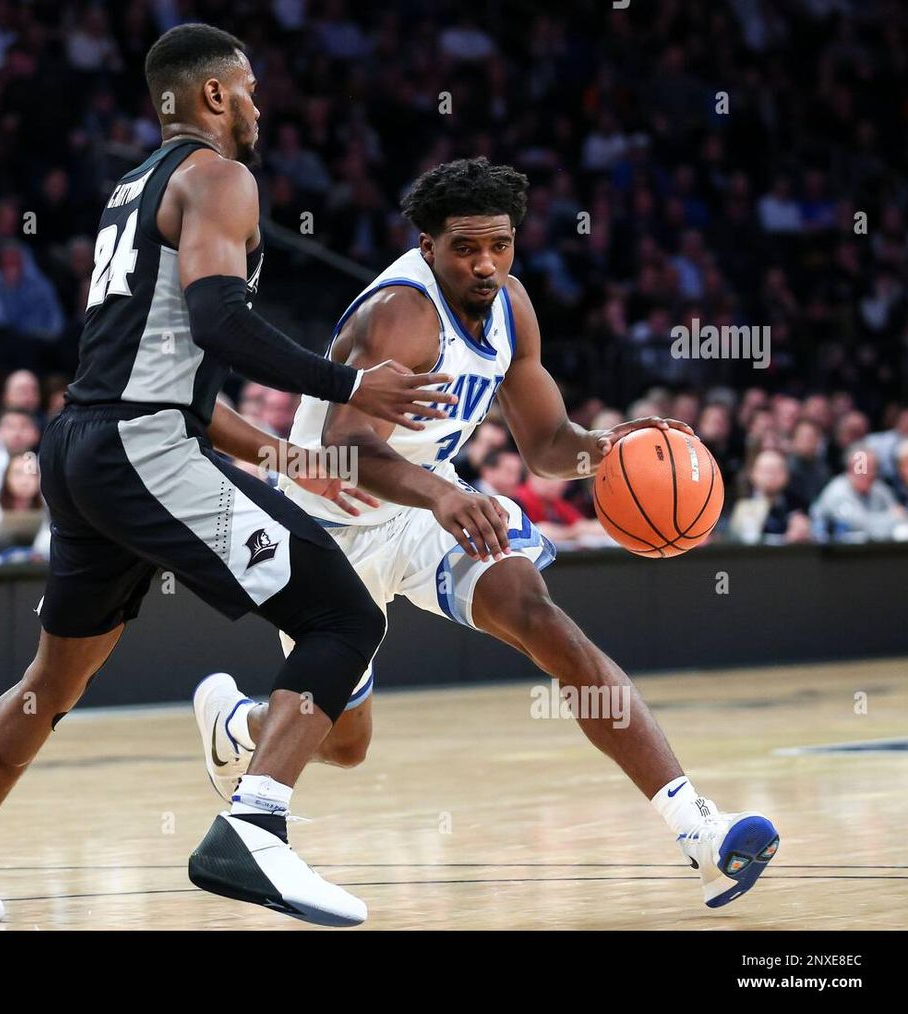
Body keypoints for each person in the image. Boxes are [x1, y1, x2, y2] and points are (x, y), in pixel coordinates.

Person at [0, 23, 455, 928]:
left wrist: (279, 452)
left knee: (52, 679)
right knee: (344, 612)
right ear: (215, 96)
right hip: (140, 451)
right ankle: (254, 828)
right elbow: (220, 325)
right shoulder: (221, 177)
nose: (261, 105)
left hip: (82, 444)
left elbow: (162, 367)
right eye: (252, 88)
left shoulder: (130, 189)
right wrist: (351, 381)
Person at [194, 157, 780, 911]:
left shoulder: (511, 305)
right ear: (427, 245)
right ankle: (240, 725)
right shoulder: (402, 314)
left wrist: (607, 450)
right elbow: (349, 445)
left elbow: (543, 444)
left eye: (499, 246)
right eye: (465, 248)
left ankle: (698, 829)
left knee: (544, 620)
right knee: (346, 745)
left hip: (421, 511)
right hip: (326, 523)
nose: (484, 264)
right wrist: (441, 491)